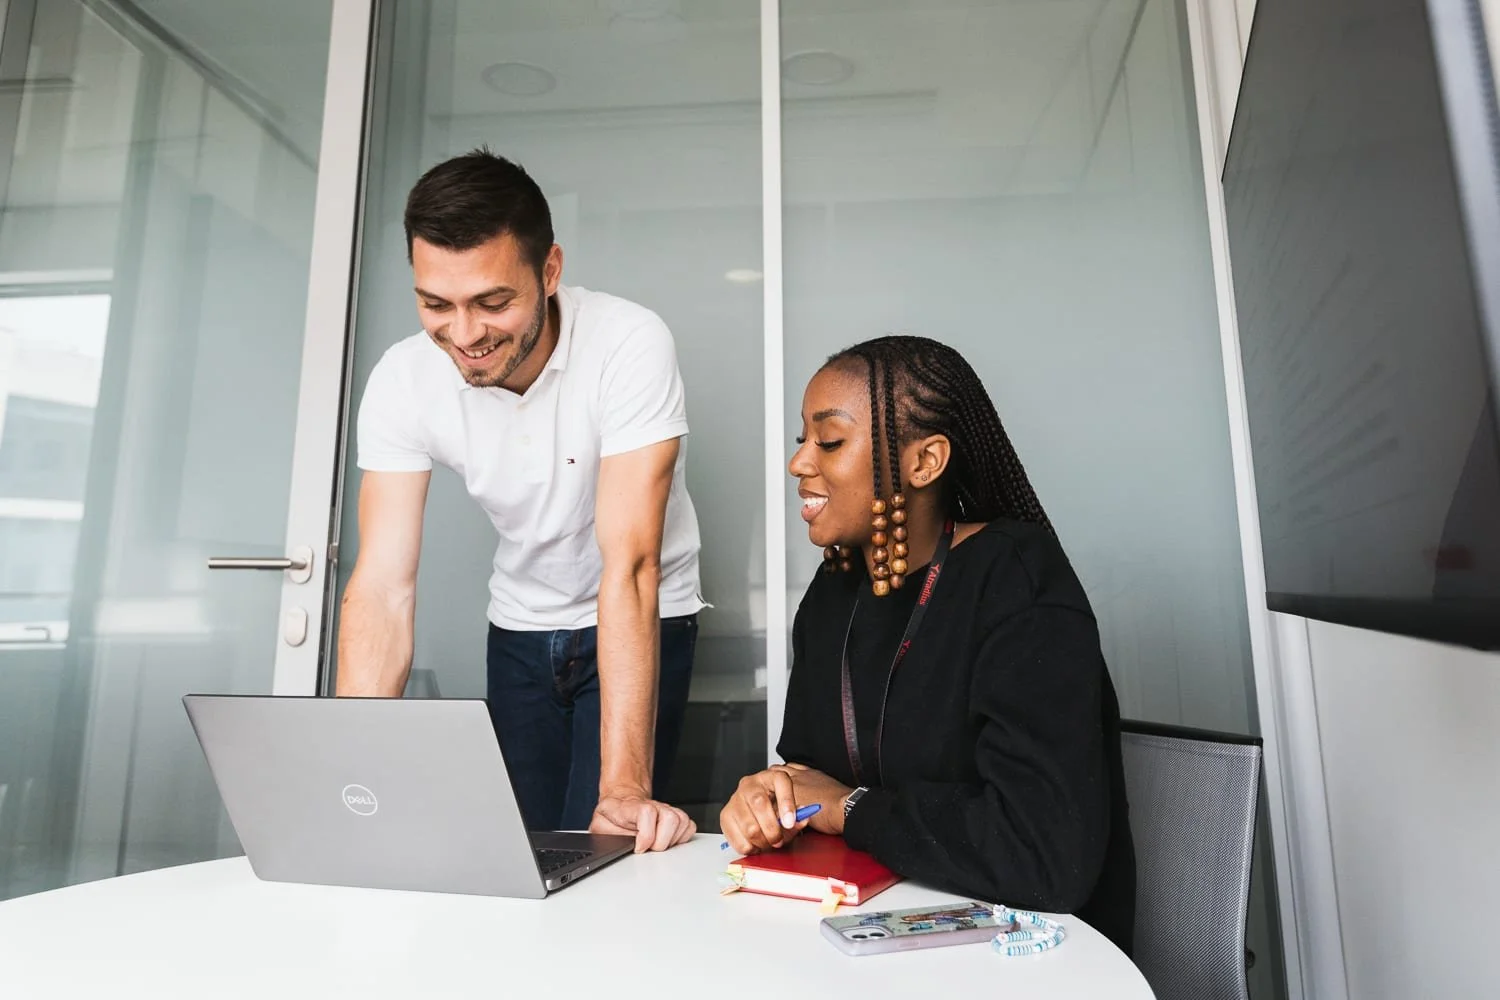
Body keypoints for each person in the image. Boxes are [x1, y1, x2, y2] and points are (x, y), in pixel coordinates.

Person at [337, 149, 704, 852]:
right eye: (435, 304)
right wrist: (358, 775)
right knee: (523, 852)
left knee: (608, 844)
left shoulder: (629, 342)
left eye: (493, 302)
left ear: (550, 270)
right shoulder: (403, 379)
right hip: (519, 627)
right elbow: (381, 585)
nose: (465, 335)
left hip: (636, 614)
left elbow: (630, 565)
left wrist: (624, 788)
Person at [720, 335, 1136, 951]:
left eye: (829, 441)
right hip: (867, 942)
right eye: (802, 441)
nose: (800, 463)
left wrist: (851, 809)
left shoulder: (1015, 580)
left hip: (1029, 956)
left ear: (925, 461)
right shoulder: (836, 589)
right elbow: (815, 781)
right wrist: (772, 799)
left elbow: (1045, 857)